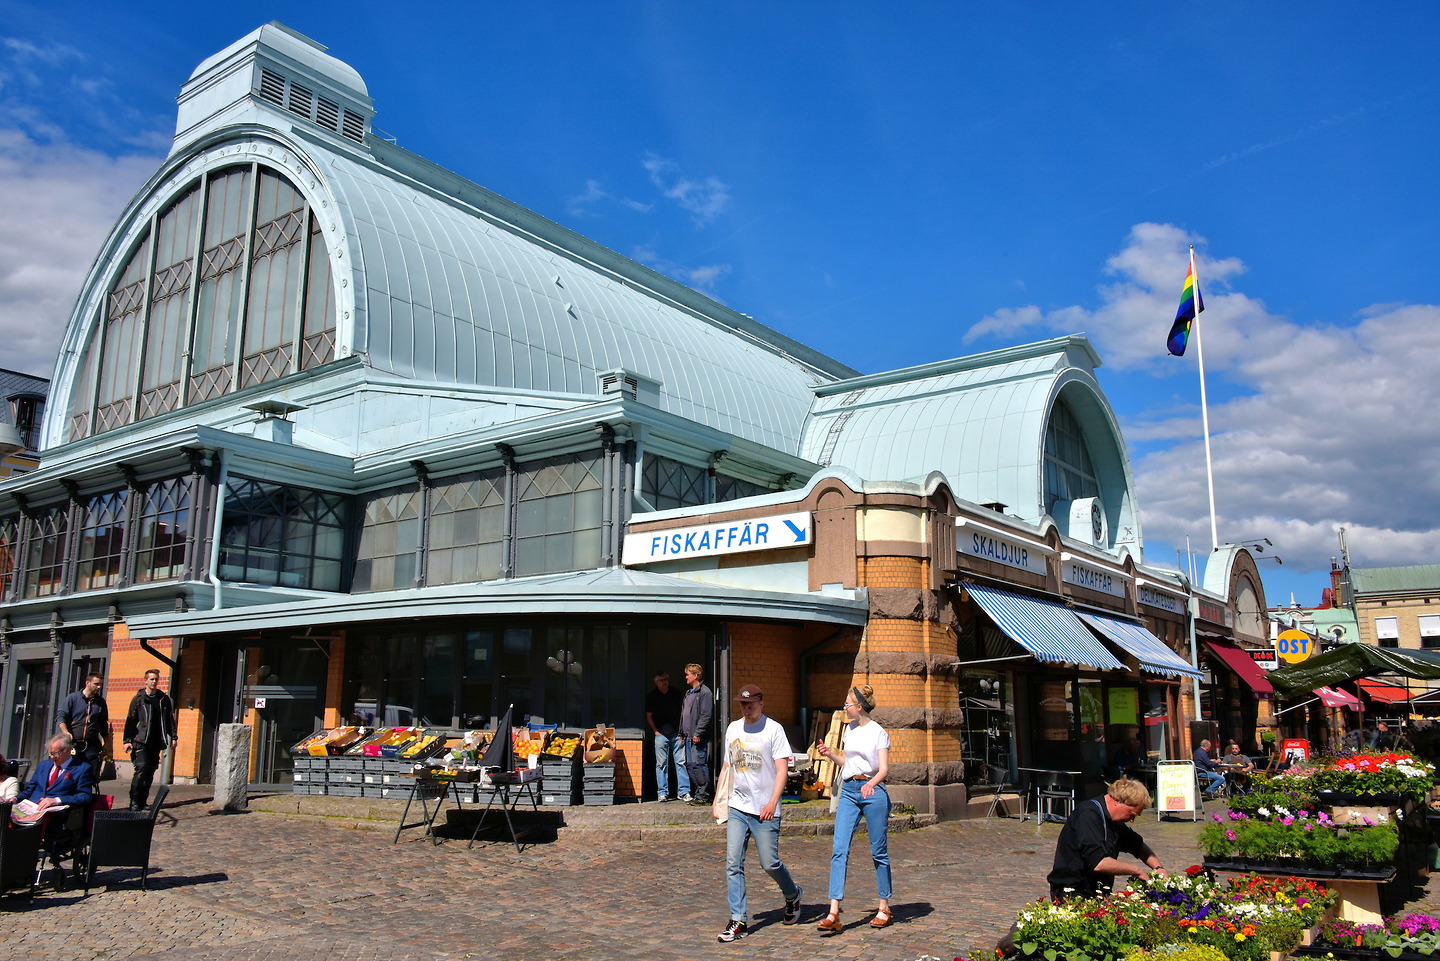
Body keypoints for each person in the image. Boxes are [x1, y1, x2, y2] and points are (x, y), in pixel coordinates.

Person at [716, 684, 803, 943]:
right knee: (733, 863)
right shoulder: (733, 729)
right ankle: (738, 919)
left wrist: (773, 802)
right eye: (743, 705)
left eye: (751, 705)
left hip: (766, 808)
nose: (746, 709)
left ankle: (792, 894)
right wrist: (718, 799)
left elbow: (782, 770)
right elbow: (727, 766)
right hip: (738, 806)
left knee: (769, 863)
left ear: (761, 704)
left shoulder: (773, 730)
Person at [814, 684, 892, 932]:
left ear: (859, 706)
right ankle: (833, 912)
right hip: (849, 790)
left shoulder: (878, 733)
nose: (844, 707)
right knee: (839, 849)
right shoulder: (850, 729)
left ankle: (884, 907)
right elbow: (848, 762)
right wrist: (830, 754)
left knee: (878, 851)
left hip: (873, 791)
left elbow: (883, 769)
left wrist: (871, 783)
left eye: (847, 704)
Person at [1046, 777, 1167, 901]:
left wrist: (1159, 868)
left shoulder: (1115, 821)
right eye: (1132, 814)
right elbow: (1099, 863)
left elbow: (1137, 845)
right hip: (1072, 891)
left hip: (1097, 891)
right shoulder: (1088, 814)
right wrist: (1137, 871)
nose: (1132, 820)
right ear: (1118, 801)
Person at [123, 668, 178, 812]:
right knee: (141, 769)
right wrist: (127, 740)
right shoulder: (139, 699)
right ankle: (134, 801)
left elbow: (169, 719)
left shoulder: (163, 699)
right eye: (151, 679)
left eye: (156, 679)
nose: (154, 682)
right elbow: (130, 720)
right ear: (145, 681)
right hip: (140, 739)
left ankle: (143, 801)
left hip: (156, 740)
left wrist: (173, 736)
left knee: (150, 771)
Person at [19, 734, 97, 813]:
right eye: (50, 753)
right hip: (32, 808)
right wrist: (15, 798)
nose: (52, 757)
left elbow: (84, 796)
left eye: (56, 754)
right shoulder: (43, 765)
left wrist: (56, 800)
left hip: (55, 813)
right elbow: (30, 789)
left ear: (68, 750)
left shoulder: (82, 768)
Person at [645, 670, 687, 802]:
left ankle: (684, 791)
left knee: (681, 762)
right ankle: (662, 792)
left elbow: (683, 712)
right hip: (661, 735)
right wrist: (655, 732)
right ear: (656, 682)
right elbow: (649, 715)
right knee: (661, 764)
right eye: (661, 680)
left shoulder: (675, 693)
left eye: (666, 680)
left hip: (677, 734)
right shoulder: (652, 696)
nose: (664, 682)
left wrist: (682, 730)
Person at [57, 671, 112, 770]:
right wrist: (65, 732)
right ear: (87, 683)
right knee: (72, 773)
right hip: (74, 744)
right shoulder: (73, 698)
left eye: (100, 684)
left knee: (92, 773)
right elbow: (61, 717)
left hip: (92, 746)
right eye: (96, 684)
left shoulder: (100, 702)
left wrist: (107, 744)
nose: (99, 687)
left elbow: (103, 724)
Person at [680, 663, 714, 805]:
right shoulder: (689, 693)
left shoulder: (705, 693)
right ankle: (698, 793)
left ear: (696, 676)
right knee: (690, 765)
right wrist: (681, 732)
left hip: (697, 737)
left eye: (688, 674)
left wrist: (698, 733)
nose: (686, 677)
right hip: (688, 736)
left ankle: (703, 795)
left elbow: (706, 715)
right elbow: (684, 714)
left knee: (699, 765)